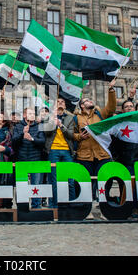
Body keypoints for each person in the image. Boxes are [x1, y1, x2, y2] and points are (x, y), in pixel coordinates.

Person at [73, 79, 116, 209]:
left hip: (102, 153)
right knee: (86, 181)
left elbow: (111, 107)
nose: (90, 101)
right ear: (81, 105)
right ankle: (88, 204)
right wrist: (80, 136)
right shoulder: (76, 118)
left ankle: (104, 201)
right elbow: (72, 135)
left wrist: (111, 90)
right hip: (84, 155)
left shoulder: (99, 114)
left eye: (90, 100)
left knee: (105, 178)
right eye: (86, 101)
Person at [42, 98, 76, 208]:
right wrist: (53, 121)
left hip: (66, 151)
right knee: (54, 178)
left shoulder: (70, 118)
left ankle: (72, 203)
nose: (60, 103)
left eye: (62, 102)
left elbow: (71, 135)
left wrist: (61, 126)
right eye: (58, 102)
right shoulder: (48, 117)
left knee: (69, 178)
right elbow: (46, 132)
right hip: (53, 150)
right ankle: (54, 204)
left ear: (65, 106)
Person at [12, 107, 46, 209]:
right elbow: (14, 142)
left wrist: (32, 139)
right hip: (21, 160)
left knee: (36, 185)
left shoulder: (40, 127)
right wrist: (22, 133)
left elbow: (42, 142)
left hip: (35, 160)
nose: (32, 115)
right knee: (21, 185)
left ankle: (36, 206)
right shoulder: (18, 126)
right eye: (29, 113)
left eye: (33, 113)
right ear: (24, 115)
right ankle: (22, 207)